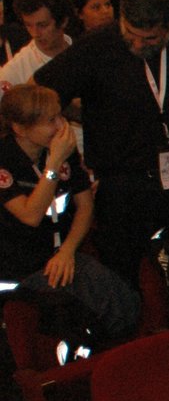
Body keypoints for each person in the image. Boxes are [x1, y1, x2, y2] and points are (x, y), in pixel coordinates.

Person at [35, 0, 169, 285]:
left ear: (168, 28)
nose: (137, 44)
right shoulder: (97, 46)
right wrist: (88, 116)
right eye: (130, 33)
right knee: (125, 272)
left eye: (149, 38)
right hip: (123, 181)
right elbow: (43, 91)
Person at [0, 83, 139, 342]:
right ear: (20, 129)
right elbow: (31, 215)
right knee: (78, 308)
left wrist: (67, 251)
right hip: (20, 270)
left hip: (61, 256)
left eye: (60, 116)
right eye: (50, 120)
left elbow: (85, 207)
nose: (60, 126)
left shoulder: (63, 151)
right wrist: (53, 165)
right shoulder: (6, 160)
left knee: (117, 294)